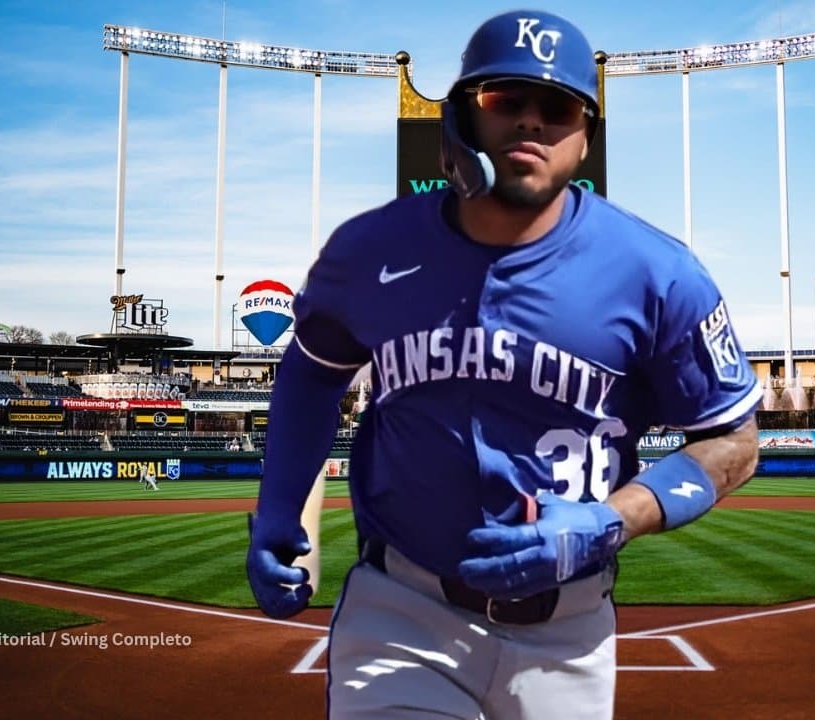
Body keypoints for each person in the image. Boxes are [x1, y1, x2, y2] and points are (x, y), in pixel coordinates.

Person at [246, 10, 761, 719]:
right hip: (402, 610)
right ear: (460, 116)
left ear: (584, 138)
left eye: (558, 107)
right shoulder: (367, 250)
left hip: (570, 631)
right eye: (504, 100)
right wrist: (277, 505)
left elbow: (732, 441)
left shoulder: (658, 274)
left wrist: (612, 521)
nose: (532, 122)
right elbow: (312, 369)